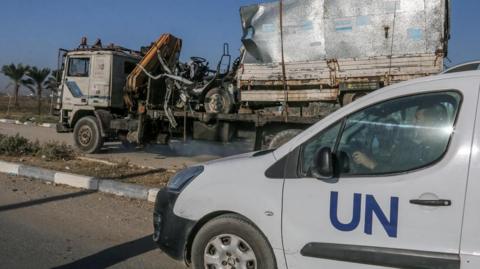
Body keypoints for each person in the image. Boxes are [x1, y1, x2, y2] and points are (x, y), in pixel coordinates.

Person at [352, 103, 449, 173]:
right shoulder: (420, 144)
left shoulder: (432, 150)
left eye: (417, 118)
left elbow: (399, 174)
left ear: (430, 123)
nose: (413, 122)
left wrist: (370, 164)